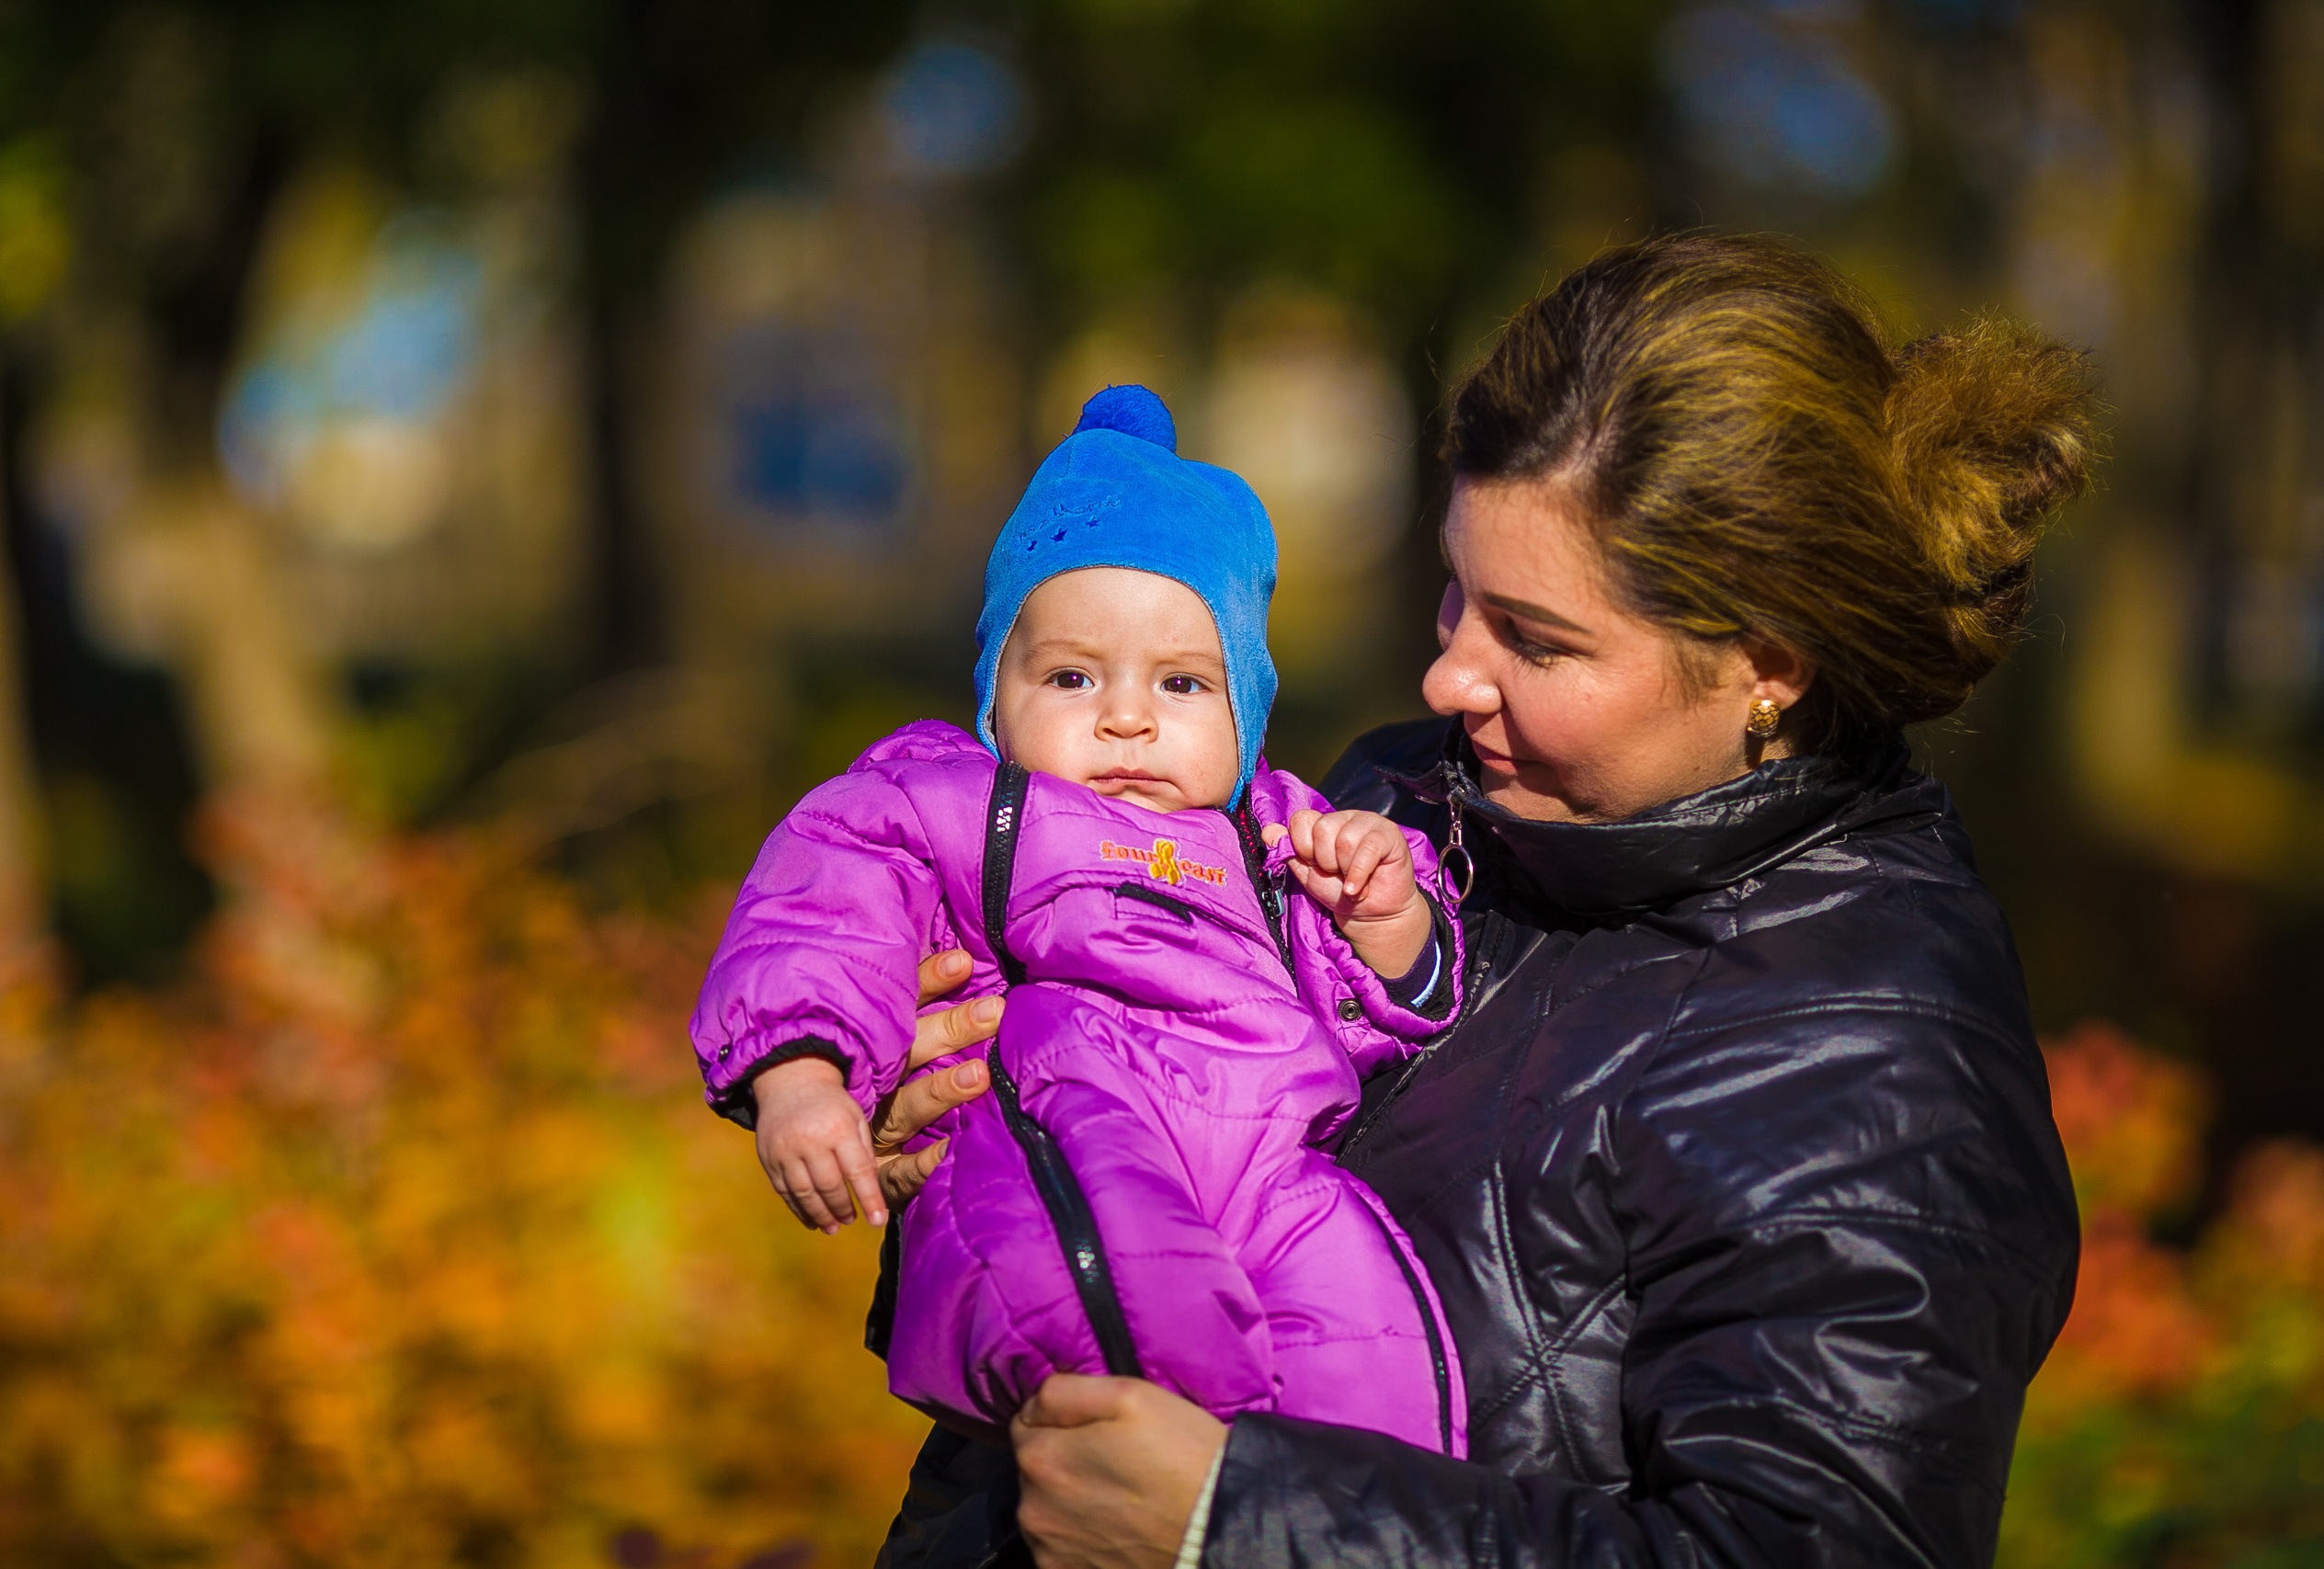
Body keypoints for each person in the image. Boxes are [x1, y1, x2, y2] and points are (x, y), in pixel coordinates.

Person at [866, 233, 2094, 1568]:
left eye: (1536, 636)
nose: (1448, 674)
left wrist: (1240, 1526)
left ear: (1770, 663)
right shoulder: (1406, 793)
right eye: (1457, 590)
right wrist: (978, 1169)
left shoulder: (1874, 1061)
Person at [690, 386, 1470, 1457]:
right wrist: (805, 1077)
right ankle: (1155, 1470)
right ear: (994, 696)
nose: (1127, 717)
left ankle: (1331, 1506)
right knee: (1110, 1301)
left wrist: (1386, 923)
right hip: (1062, 1128)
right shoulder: (958, 801)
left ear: (1244, 713)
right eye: (1070, 675)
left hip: (1276, 1170)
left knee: (1371, 1350)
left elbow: (1371, 1014)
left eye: (1184, 684)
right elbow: (823, 911)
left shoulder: (1275, 834)